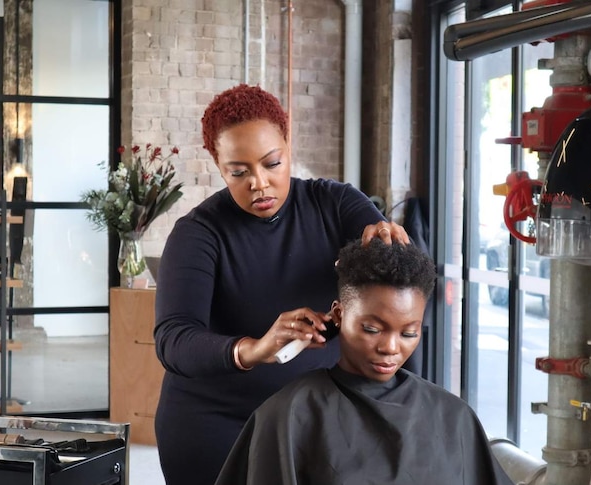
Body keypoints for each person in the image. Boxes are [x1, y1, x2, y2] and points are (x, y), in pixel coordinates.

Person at [153, 84, 410, 485]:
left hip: (311, 419)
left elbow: (396, 261)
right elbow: (174, 339)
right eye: (238, 172)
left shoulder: (336, 204)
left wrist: (383, 244)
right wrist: (254, 349)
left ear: (288, 145)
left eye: (272, 163)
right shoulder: (198, 234)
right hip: (214, 426)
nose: (259, 182)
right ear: (218, 165)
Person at [215, 239, 514, 485]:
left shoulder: (453, 415)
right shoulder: (289, 414)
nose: (390, 348)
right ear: (339, 315)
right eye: (372, 329)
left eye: (409, 333)